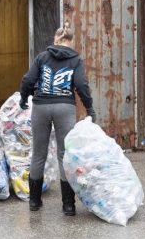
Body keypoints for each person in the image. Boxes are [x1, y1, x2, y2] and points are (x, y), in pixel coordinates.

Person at [20, 21, 96, 215]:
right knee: (64, 154)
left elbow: (28, 80)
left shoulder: (42, 57)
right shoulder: (75, 60)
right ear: (70, 41)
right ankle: (68, 206)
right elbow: (81, 84)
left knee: (39, 153)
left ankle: (34, 202)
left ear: (55, 39)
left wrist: (23, 98)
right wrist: (89, 108)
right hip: (64, 107)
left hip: (41, 106)